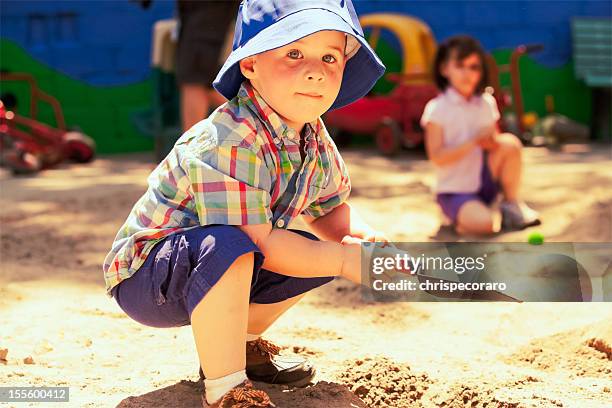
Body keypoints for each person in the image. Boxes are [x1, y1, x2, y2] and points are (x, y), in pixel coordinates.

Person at [102, 1, 389, 406]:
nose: (316, 70)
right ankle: (226, 388)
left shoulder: (313, 135)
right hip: (150, 276)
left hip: (228, 258)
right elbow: (257, 241)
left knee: (316, 249)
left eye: (330, 57)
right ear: (250, 65)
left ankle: (242, 345)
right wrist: (343, 261)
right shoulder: (231, 137)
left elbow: (329, 209)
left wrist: (367, 243)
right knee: (247, 245)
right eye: (294, 53)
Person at [421, 35, 541, 236]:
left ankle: (511, 206)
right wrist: (473, 142)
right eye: (460, 65)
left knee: (510, 143)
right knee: (485, 225)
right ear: (444, 69)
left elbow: (495, 145)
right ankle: (453, 218)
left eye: (474, 67)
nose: (467, 73)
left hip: (484, 183)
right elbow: (437, 157)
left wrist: (490, 141)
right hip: (454, 191)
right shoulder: (437, 109)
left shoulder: (486, 103)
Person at [176, 0, 240, 130]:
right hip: (203, 16)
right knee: (204, 85)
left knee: (194, 82)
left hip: (208, 13)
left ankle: (190, 148)